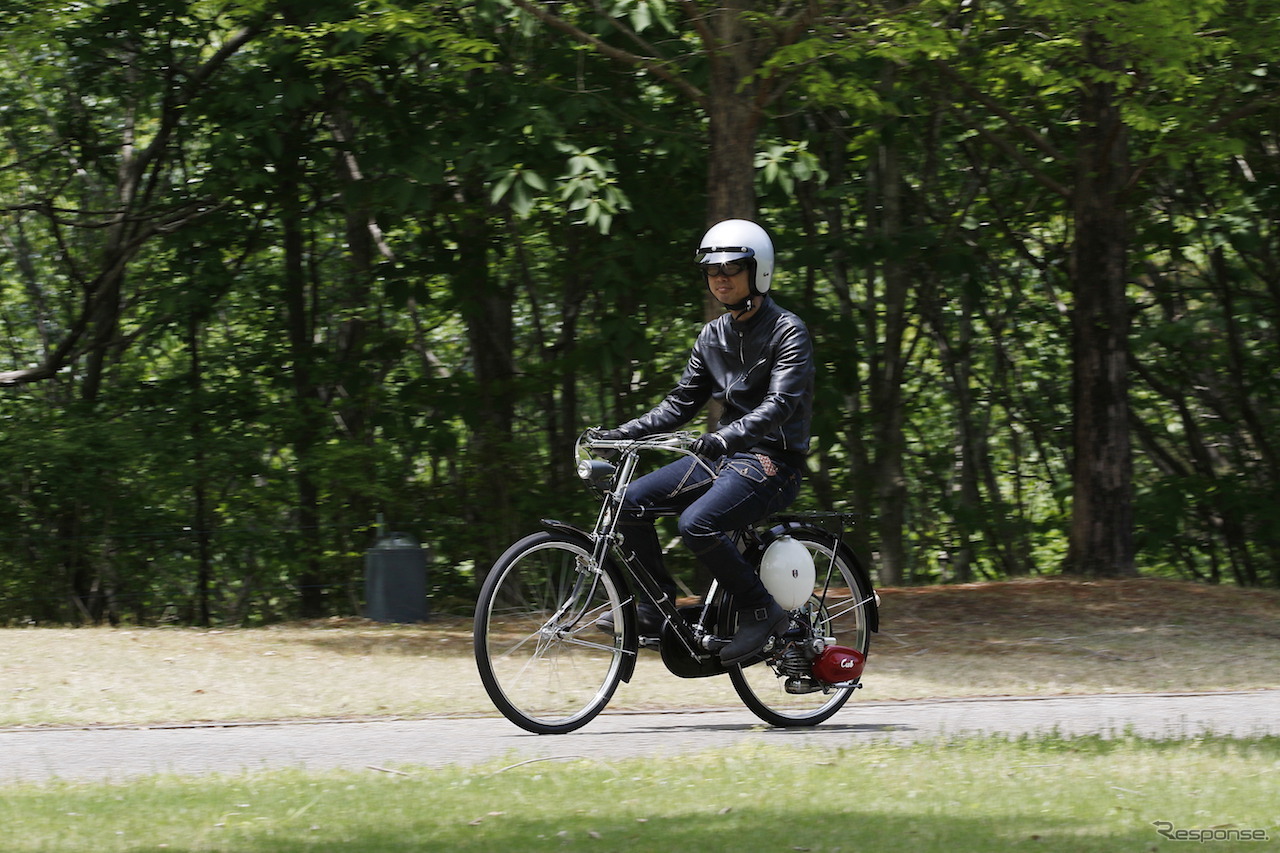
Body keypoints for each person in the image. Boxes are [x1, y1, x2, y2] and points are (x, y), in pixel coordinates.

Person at [594, 218, 814, 666]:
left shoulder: (788, 331)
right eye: (712, 270)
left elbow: (779, 406)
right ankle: (657, 608)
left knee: (696, 523)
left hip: (773, 461)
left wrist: (723, 437)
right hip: (725, 456)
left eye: (732, 268)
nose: (720, 278)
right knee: (630, 501)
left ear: (759, 272)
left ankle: (761, 609)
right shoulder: (712, 335)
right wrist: (621, 434)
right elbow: (677, 406)